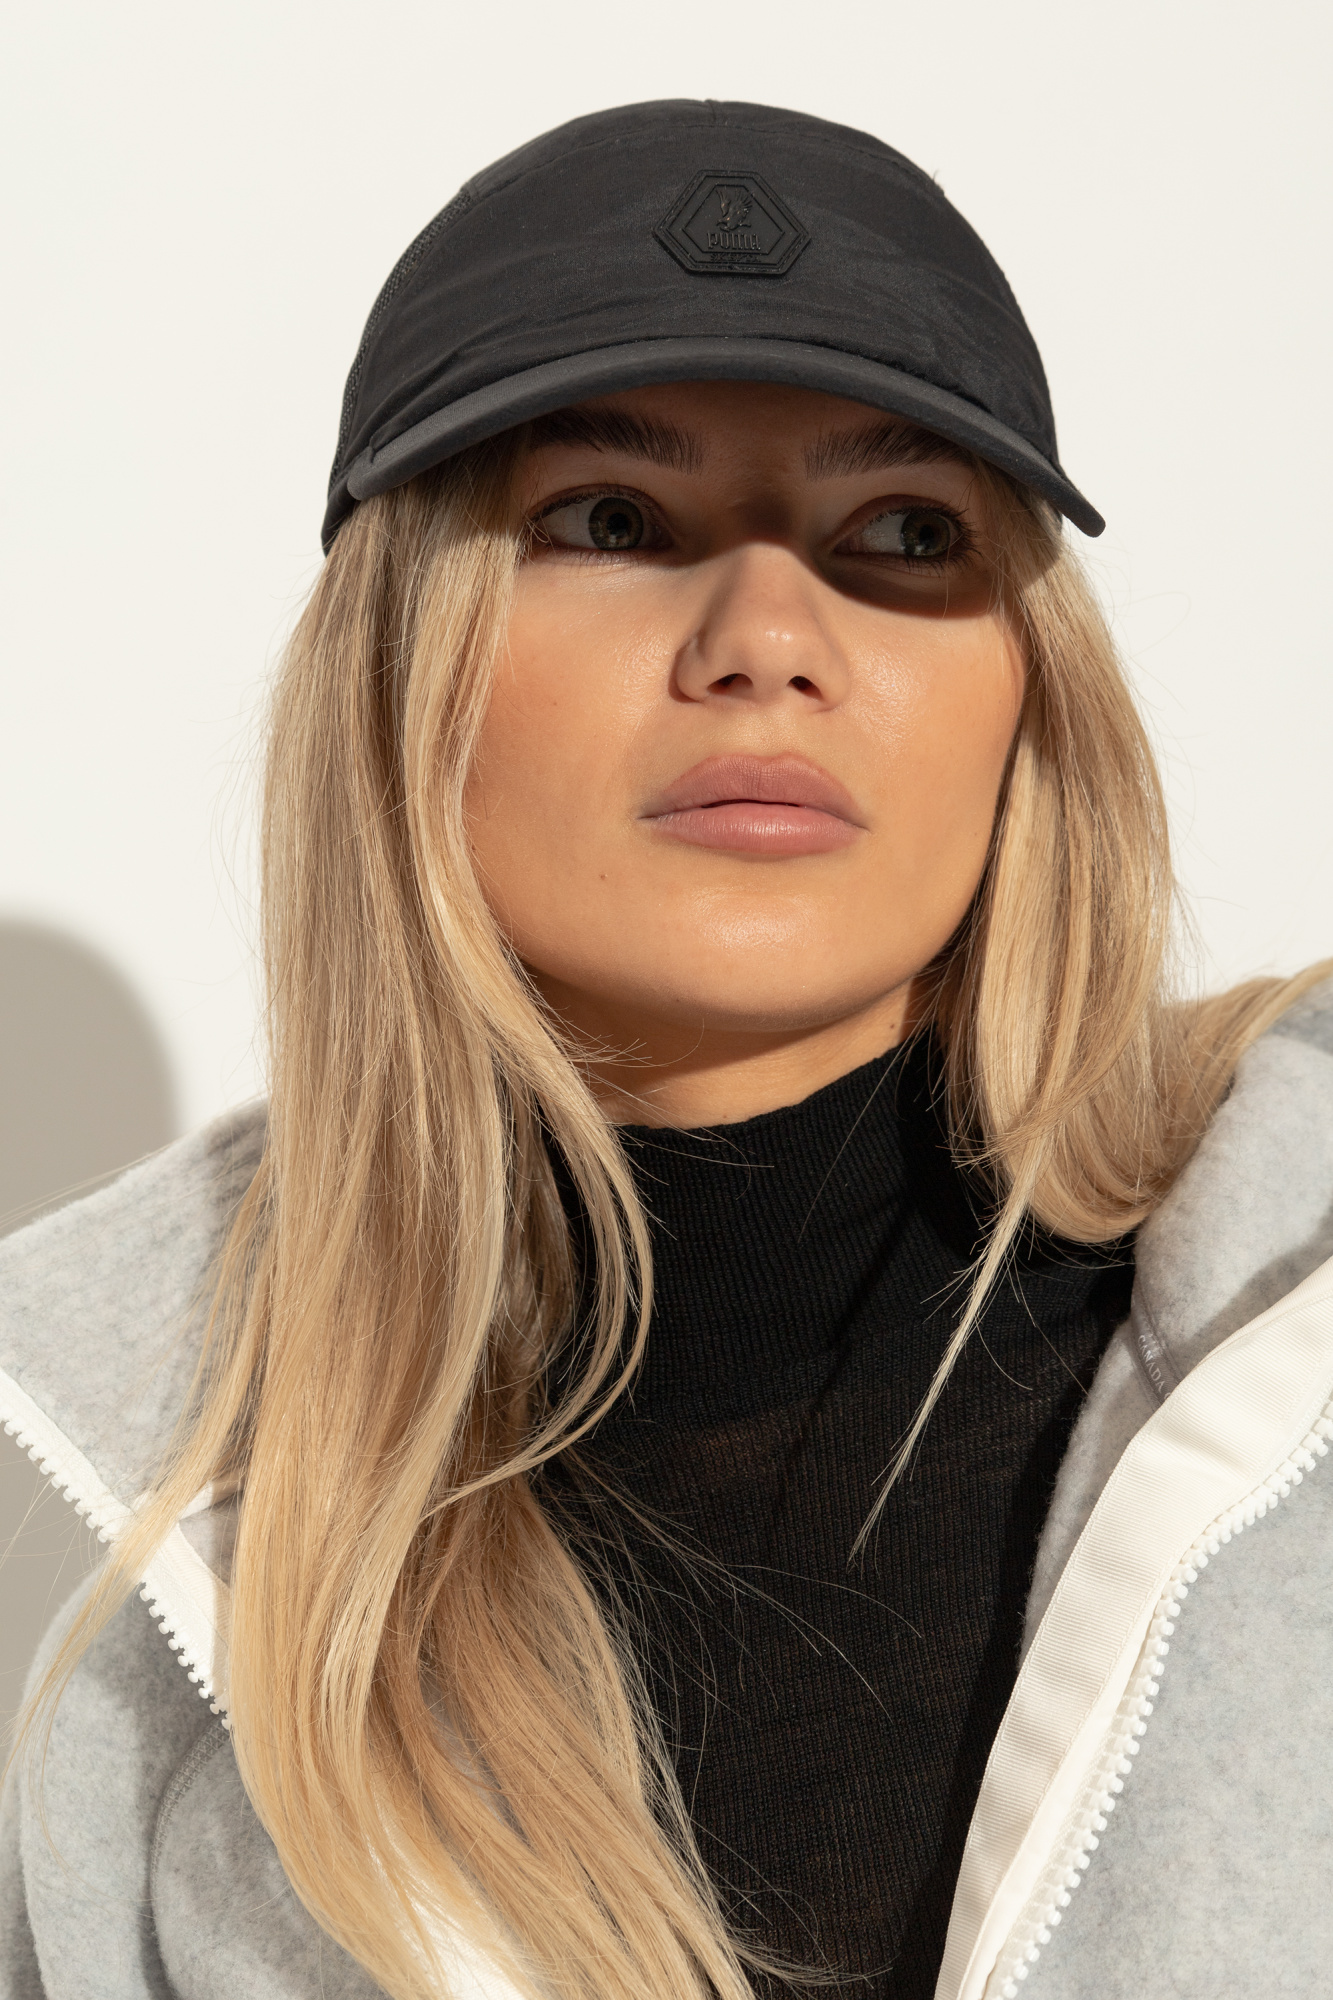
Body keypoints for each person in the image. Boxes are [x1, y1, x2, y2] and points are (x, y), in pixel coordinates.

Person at [1, 98, 1331, 2000]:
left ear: (1026, 694)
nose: (766, 636)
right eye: (611, 521)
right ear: (403, 674)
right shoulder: (168, 1627)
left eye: (902, 533)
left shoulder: (1300, 1323)